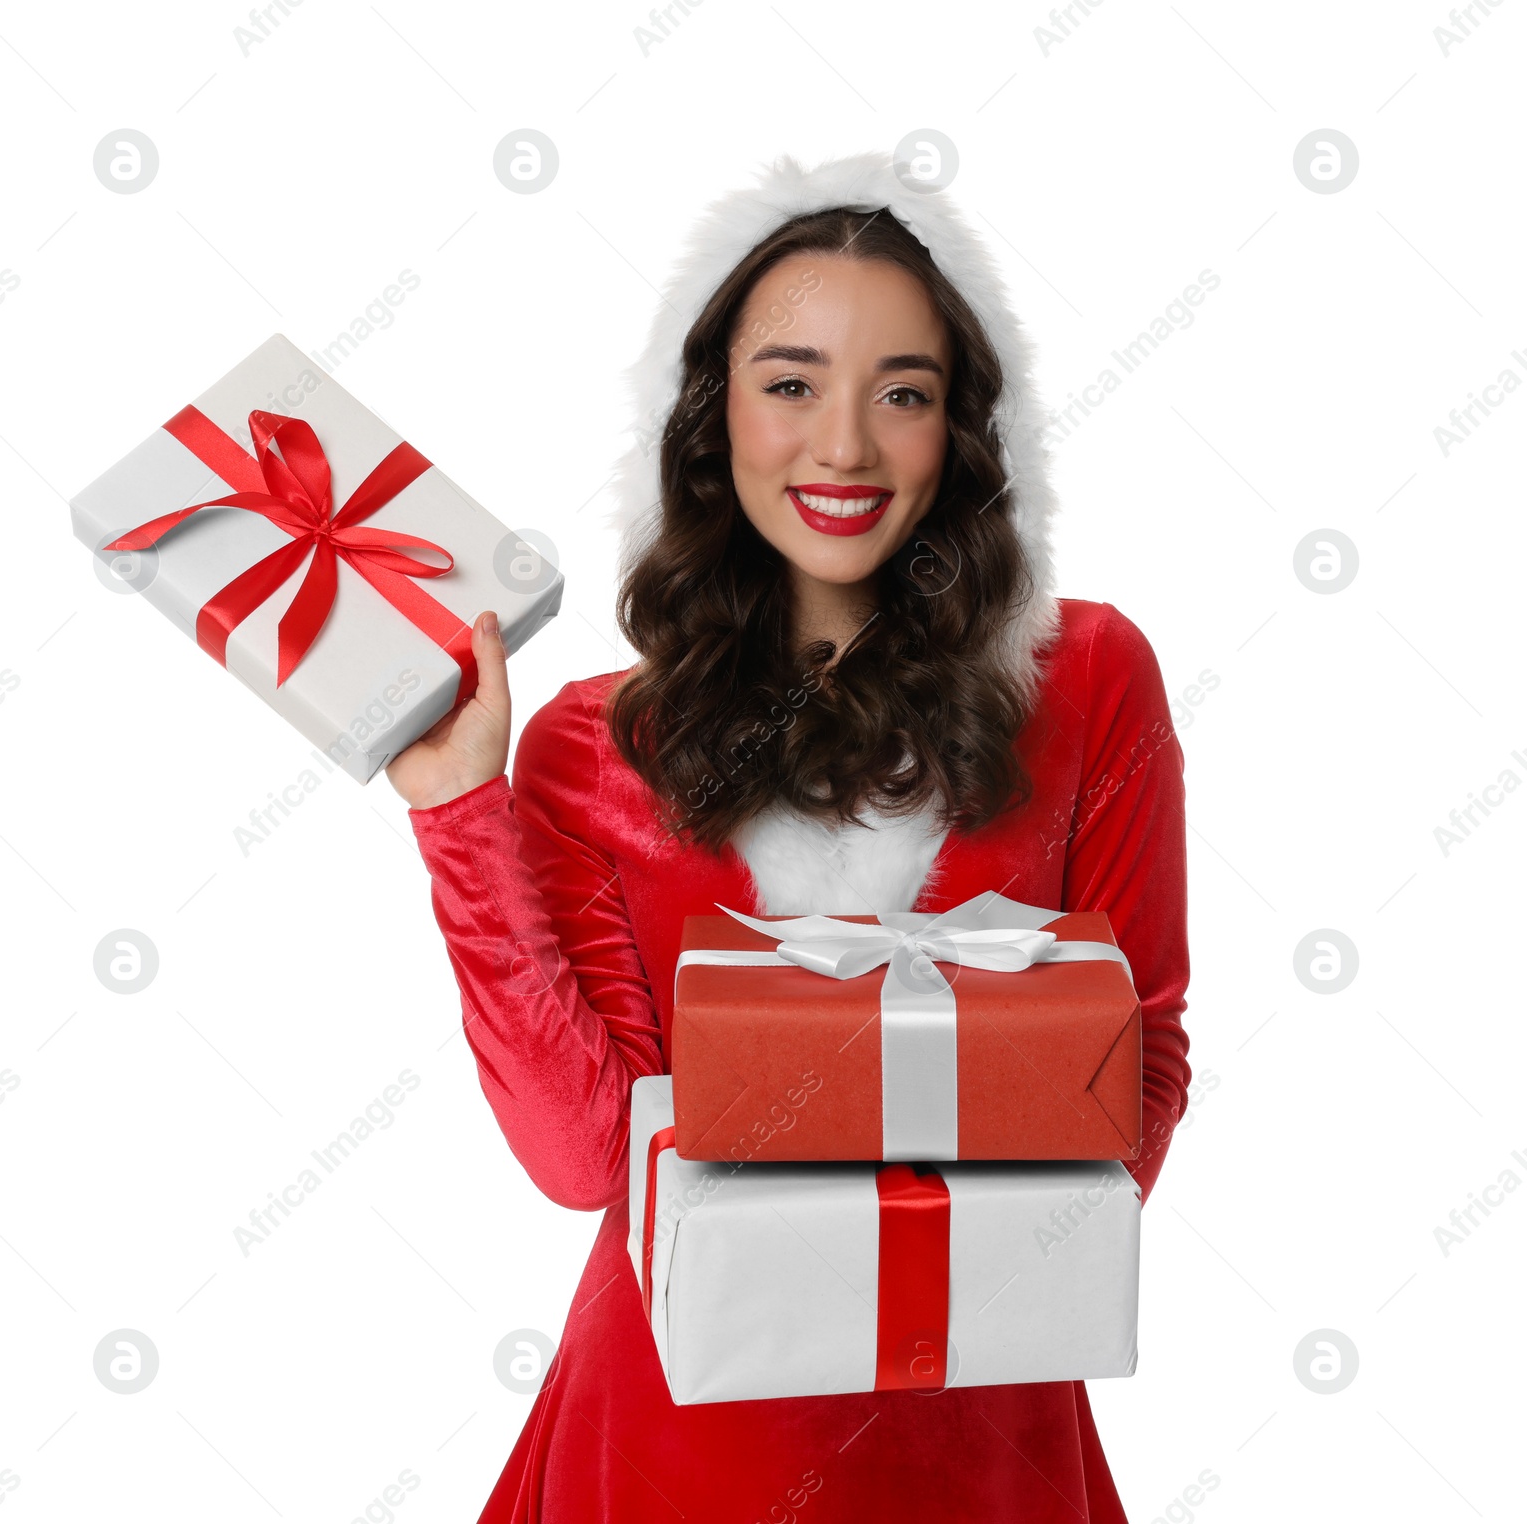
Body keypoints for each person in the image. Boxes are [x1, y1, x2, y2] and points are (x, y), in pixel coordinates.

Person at [388, 150, 1191, 1522]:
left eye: (905, 394)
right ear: (712, 422)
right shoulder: (593, 746)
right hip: (670, 1441)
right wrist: (461, 809)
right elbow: (585, 1159)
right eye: (791, 385)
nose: (844, 448)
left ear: (966, 434)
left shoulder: (1089, 680)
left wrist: (878, 1237)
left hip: (977, 1437)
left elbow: (1139, 1085)